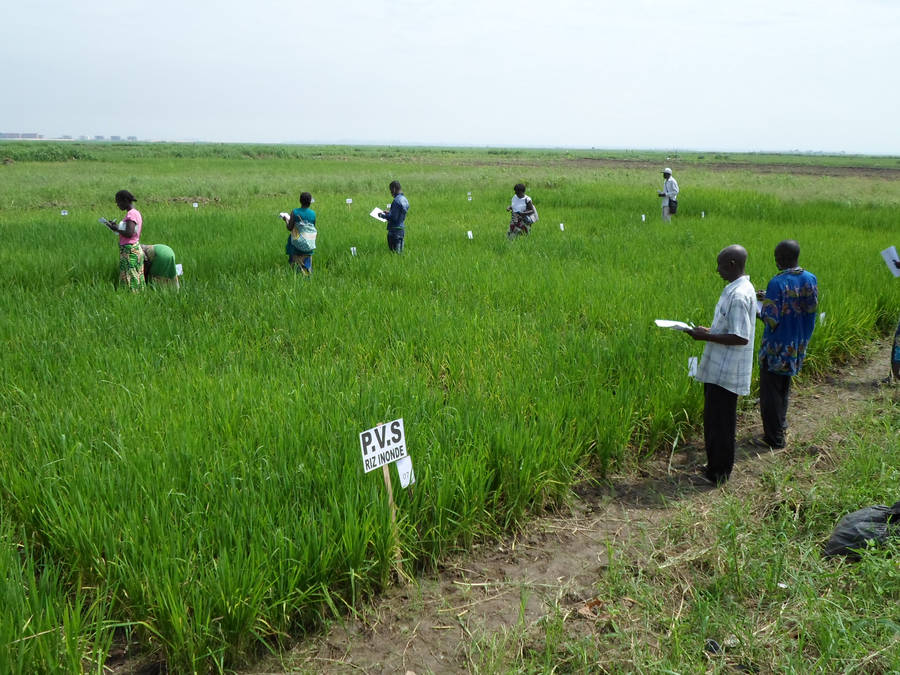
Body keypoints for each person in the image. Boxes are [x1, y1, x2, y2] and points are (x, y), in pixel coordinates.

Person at [684, 245, 756, 485]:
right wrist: (711, 330)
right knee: (714, 420)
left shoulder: (738, 295)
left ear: (732, 264)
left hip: (727, 372)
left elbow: (740, 336)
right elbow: (730, 329)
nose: (717, 270)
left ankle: (719, 472)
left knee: (721, 424)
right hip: (719, 368)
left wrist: (705, 337)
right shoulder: (737, 289)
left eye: (721, 265)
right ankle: (715, 464)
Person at [754, 240, 818, 449]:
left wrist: (758, 309)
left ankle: (774, 438)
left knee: (770, 393)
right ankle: (781, 425)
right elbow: (807, 307)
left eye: (776, 258)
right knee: (783, 387)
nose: (775, 262)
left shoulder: (777, 282)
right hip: (797, 344)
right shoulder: (810, 279)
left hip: (776, 347)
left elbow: (771, 319)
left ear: (781, 258)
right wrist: (769, 297)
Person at [102, 189, 144, 292]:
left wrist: (116, 228)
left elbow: (129, 233)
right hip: (133, 248)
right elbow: (129, 230)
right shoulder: (135, 213)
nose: (117, 204)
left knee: (130, 277)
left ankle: (133, 299)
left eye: (118, 201)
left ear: (125, 200)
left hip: (129, 250)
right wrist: (116, 227)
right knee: (135, 275)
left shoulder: (131, 214)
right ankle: (137, 298)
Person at [282, 191, 317, 275]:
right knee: (307, 270)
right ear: (309, 202)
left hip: (296, 245)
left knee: (295, 269)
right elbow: (311, 229)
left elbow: (290, 228)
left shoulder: (295, 212)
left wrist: (286, 220)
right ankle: (307, 275)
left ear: (300, 201)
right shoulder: (313, 214)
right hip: (308, 244)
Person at [378, 181, 409, 253]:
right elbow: (399, 214)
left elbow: (393, 218)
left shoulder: (396, 201)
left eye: (391, 190)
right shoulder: (405, 199)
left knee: (394, 253)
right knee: (400, 253)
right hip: (401, 229)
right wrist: (390, 212)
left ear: (394, 189)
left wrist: (382, 215)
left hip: (394, 231)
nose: (391, 192)